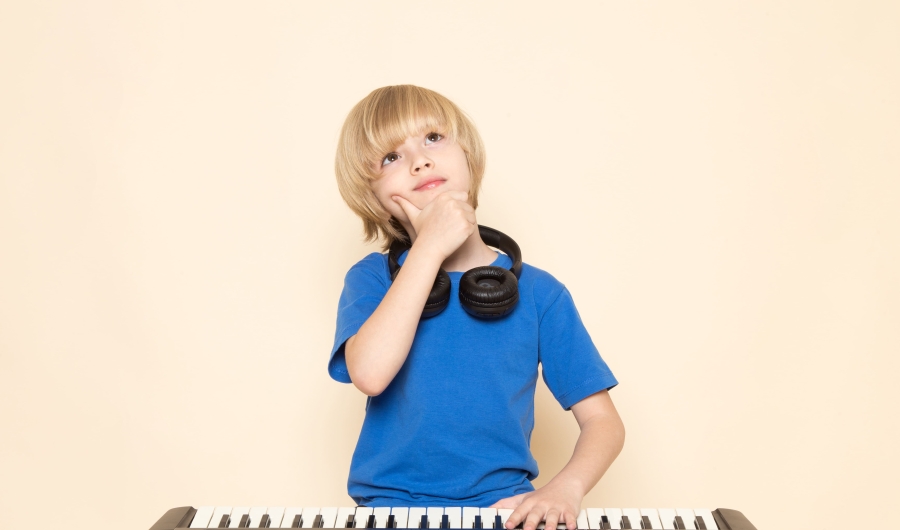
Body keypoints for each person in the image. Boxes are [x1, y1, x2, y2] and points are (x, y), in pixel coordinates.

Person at [329, 85, 624, 530]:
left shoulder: (541, 293)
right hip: (389, 511)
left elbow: (603, 421)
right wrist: (429, 247)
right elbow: (370, 374)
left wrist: (566, 487)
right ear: (374, 198)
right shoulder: (372, 279)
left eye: (433, 138)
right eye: (390, 157)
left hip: (506, 511)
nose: (419, 161)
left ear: (469, 157)